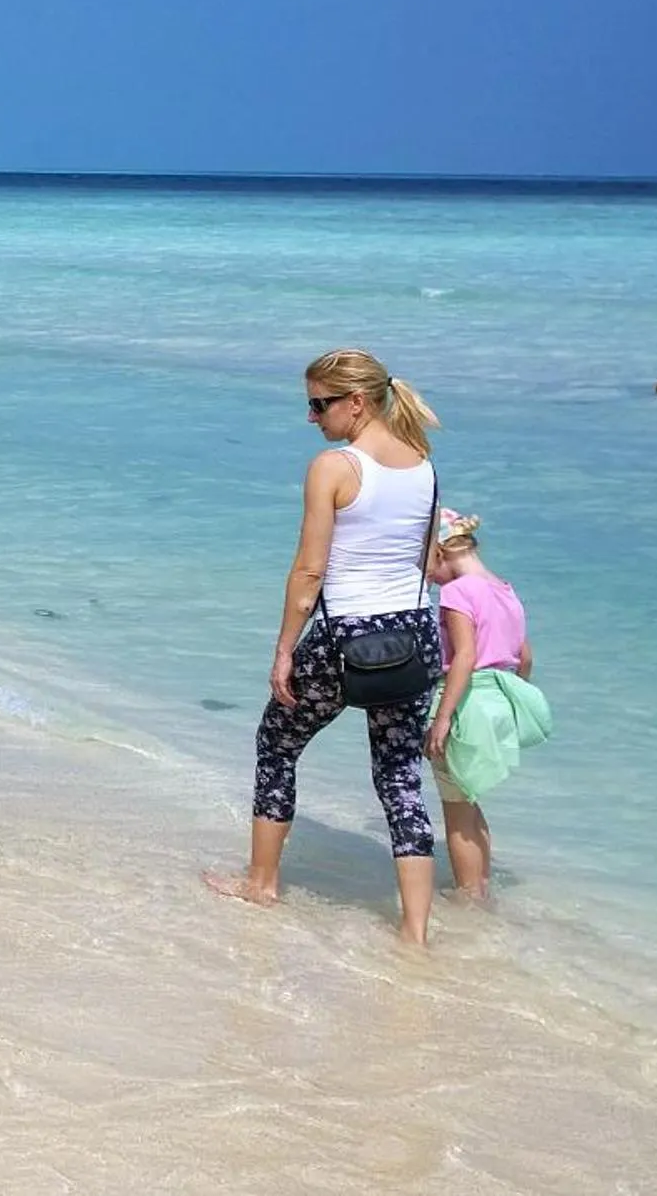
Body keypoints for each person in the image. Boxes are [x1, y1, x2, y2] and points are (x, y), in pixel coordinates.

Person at [206, 349, 444, 945]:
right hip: (415, 636)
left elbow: (310, 572)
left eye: (319, 405)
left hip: (346, 639)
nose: (313, 418)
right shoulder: (424, 464)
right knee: (400, 778)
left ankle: (261, 884)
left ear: (356, 403)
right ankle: (415, 931)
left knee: (276, 744)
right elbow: (427, 563)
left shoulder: (334, 467)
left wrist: (285, 649)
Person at [425, 509, 536, 899]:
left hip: (466, 701)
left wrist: (443, 717)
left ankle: (468, 896)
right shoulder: (505, 590)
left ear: (439, 552)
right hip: (499, 701)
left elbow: (466, 657)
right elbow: (525, 658)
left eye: (424, 563)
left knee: (455, 809)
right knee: (470, 798)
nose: (426, 577)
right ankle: (481, 886)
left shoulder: (456, 592)